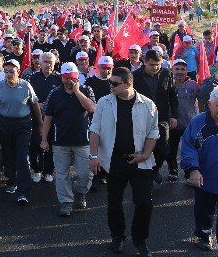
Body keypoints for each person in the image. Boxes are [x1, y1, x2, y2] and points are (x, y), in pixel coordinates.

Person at [89, 67, 159, 256]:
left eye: (115, 83)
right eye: (110, 82)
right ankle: (117, 236)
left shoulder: (148, 104)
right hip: (114, 161)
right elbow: (94, 129)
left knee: (144, 203)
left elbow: (154, 132)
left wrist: (145, 154)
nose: (110, 85)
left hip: (140, 161)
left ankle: (140, 240)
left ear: (128, 84)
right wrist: (94, 156)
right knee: (114, 202)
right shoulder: (104, 103)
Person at [40, 62, 96, 217]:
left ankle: (81, 192)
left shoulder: (86, 89)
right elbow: (48, 117)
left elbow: (92, 108)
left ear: (77, 77)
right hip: (61, 142)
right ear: (62, 77)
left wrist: (77, 92)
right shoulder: (55, 93)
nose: (69, 81)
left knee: (85, 174)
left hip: (83, 142)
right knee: (62, 174)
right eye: (66, 78)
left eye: (72, 78)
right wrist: (44, 139)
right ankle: (66, 202)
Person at [0, 59, 41, 204]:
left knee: (22, 156)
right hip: (5, 123)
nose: (8, 74)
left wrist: (41, 123)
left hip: (23, 124)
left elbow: (35, 104)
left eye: (12, 71)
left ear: (18, 72)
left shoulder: (26, 85)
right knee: (8, 154)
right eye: (6, 71)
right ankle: (11, 181)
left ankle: (24, 191)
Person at [181, 86, 218, 252]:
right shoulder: (198, 122)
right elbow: (188, 148)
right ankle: (204, 233)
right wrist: (193, 169)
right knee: (203, 211)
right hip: (205, 181)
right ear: (209, 104)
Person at [133, 49, 178, 184]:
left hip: (162, 118)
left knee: (163, 149)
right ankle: (143, 174)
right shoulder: (135, 76)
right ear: (145, 62)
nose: (155, 68)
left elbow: (173, 96)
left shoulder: (167, 74)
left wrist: (174, 116)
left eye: (158, 64)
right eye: (152, 65)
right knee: (142, 148)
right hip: (142, 118)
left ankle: (155, 169)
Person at [27, 52, 62, 183]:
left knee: (51, 144)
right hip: (35, 117)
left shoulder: (59, 79)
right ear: (40, 64)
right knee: (35, 144)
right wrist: (37, 104)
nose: (48, 64)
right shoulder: (33, 78)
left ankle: (48, 171)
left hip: (53, 118)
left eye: (51, 62)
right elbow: (26, 97)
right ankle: (36, 170)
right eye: (46, 62)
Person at [168, 59, 199, 182]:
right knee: (171, 149)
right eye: (177, 69)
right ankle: (173, 170)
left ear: (187, 71)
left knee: (189, 150)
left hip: (190, 123)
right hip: (172, 123)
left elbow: (203, 99)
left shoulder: (194, 85)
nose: (180, 72)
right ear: (172, 70)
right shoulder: (168, 84)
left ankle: (188, 172)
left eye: (183, 69)